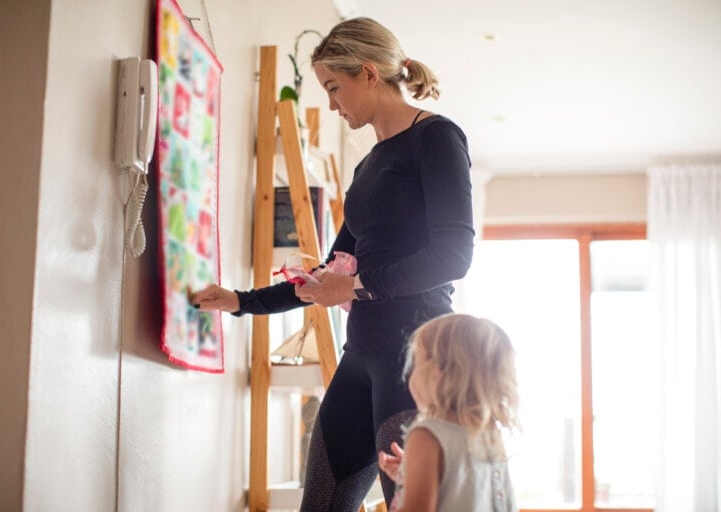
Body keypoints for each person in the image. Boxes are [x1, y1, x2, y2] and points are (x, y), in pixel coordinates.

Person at [190, 17, 474, 511]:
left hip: (416, 357)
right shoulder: (368, 167)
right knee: (320, 504)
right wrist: (239, 301)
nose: (332, 103)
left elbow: (454, 256)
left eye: (334, 88)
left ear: (368, 73)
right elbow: (327, 276)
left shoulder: (438, 138)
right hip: (361, 355)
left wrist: (356, 288)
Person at [378, 314, 520, 512]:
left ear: (438, 374)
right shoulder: (489, 434)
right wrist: (412, 472)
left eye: (416, 364)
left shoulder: (426, 436)